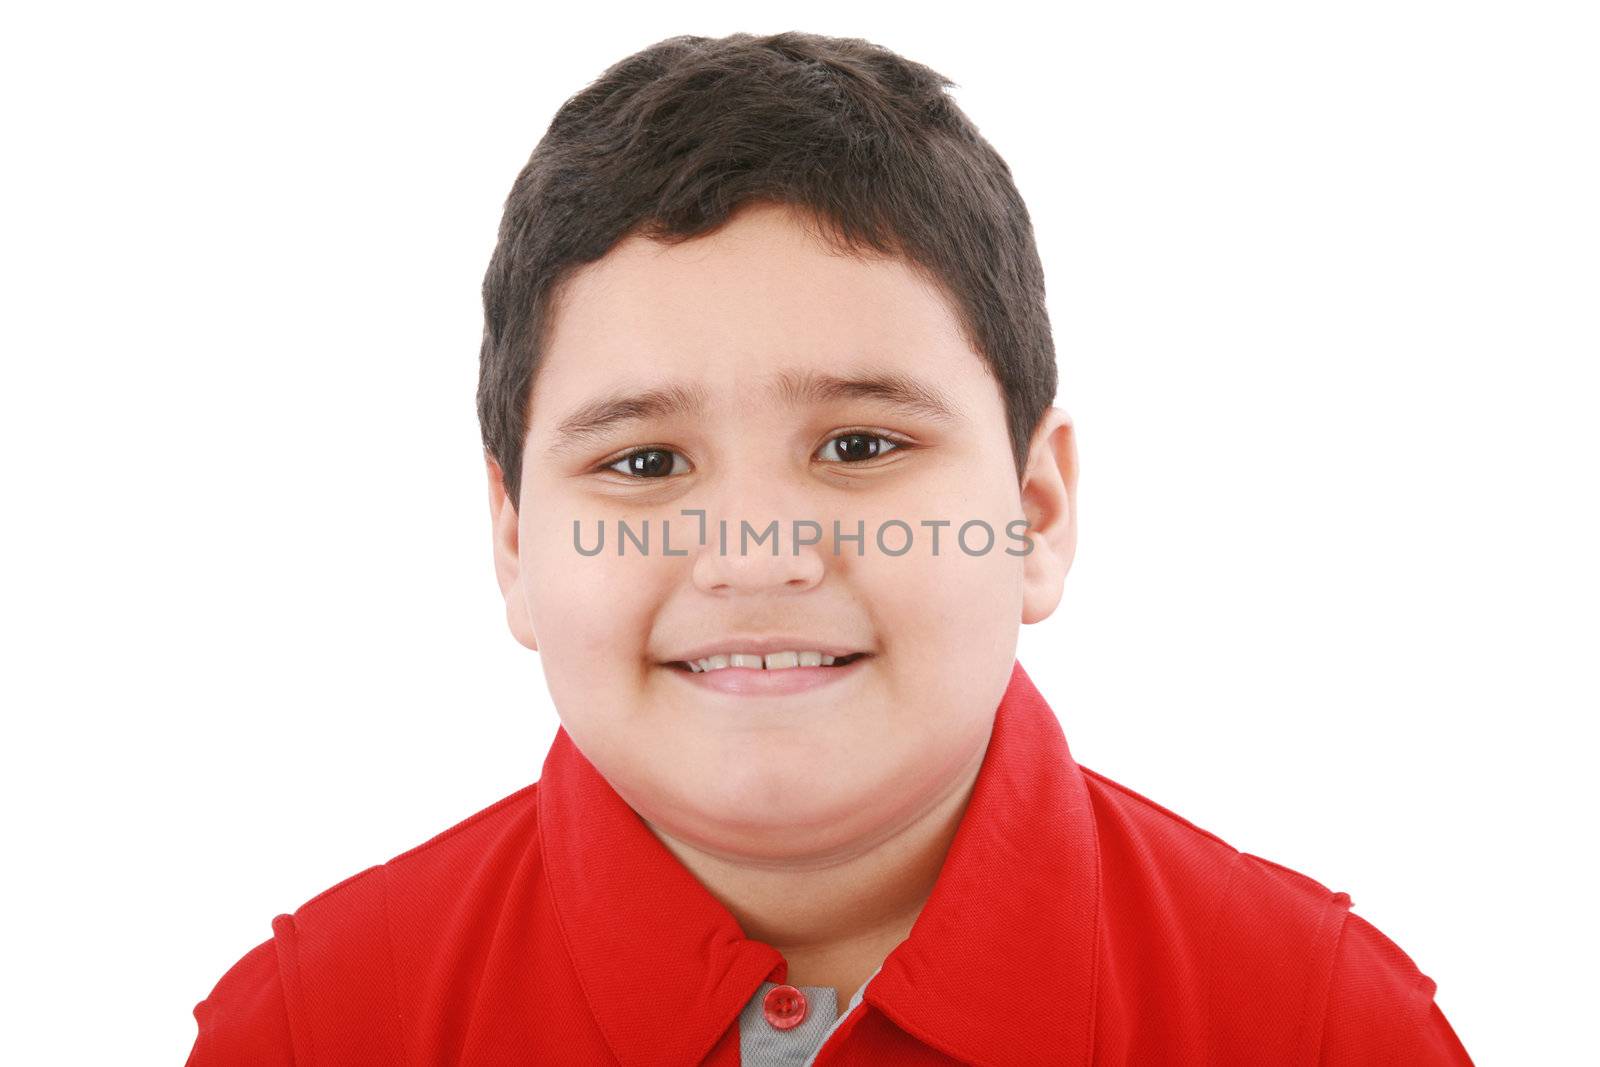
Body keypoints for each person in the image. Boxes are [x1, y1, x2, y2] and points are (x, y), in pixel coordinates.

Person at [185, 30, 1472, 1064]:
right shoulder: (312, 1028)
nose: (757, 553)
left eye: (860, 447)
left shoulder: (1318, 1024)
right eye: (642, 463)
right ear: (514, 541)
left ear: (1035, 511)